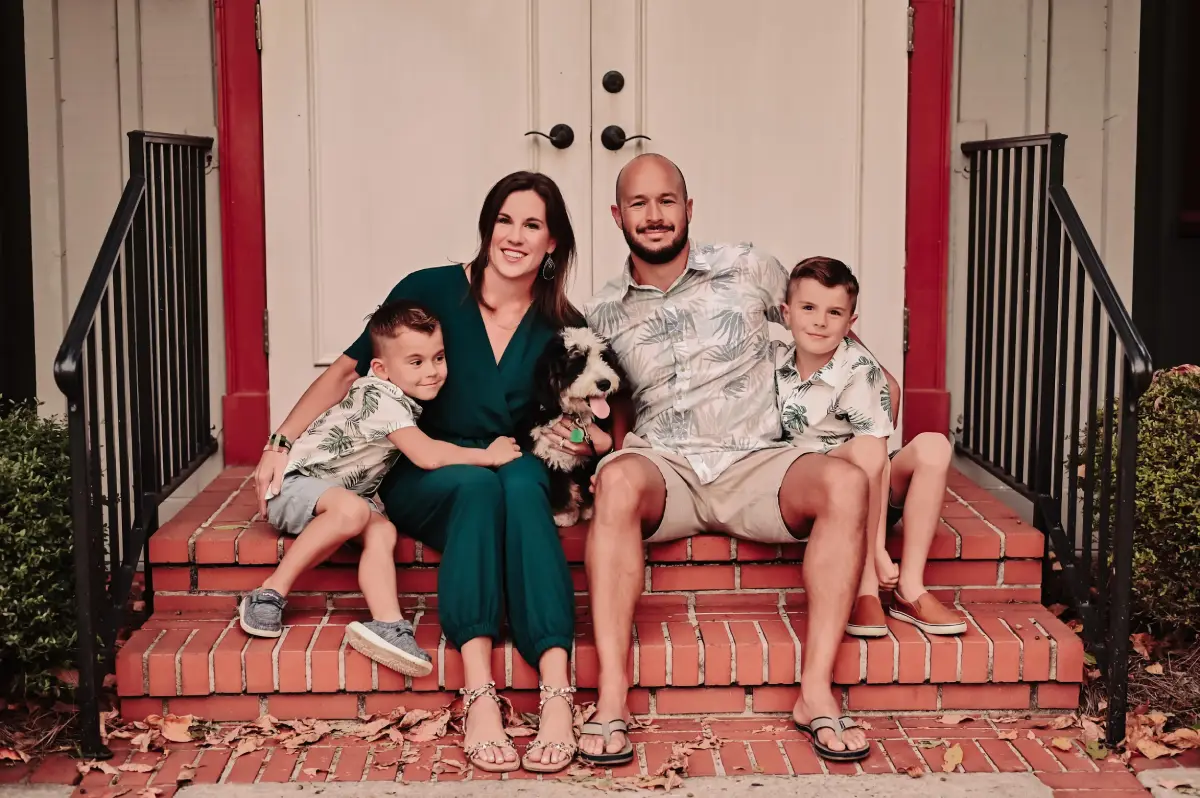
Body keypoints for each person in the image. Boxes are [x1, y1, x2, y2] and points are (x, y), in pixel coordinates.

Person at [252, 171, 607, 774]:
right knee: (475, 485)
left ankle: (555, 686)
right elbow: (346, 371)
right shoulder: (430, 291)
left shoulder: (561, 325)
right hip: (426, 468)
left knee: (521, 485)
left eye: (532, 225)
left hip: (509, 462)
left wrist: (582, 441)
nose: (514, 237)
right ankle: (477, 688)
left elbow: (589, 416)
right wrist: (278, 441)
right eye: (504, 221)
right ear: (487, 227)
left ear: (553, 244)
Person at [579, 153, 890, 764]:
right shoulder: (603, 310)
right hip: (666, 467)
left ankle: (816, 693)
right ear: (617, 215)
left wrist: (873, 379)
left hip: (759, 462)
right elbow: (601, 404)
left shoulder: (749, 266)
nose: (655, 215)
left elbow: (821, 319)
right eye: (639, 204)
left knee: (845, 485)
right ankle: (611, 697)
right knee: (613, 482)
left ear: (689, 208)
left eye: (667, 200)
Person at [239, 300, 523, 678]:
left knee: (383, 529)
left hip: (339, 500)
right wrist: (488, 454)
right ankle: (269, 592)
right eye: (416, 362)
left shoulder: (399, 398)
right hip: (295, 487)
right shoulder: (380, 399)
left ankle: (387, 624)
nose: (434, 372)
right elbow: (426, 456)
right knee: (355, 512)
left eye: (438, 358)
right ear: (381, 369)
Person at [774, 256, 965, 640]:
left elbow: (876, 460)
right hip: (811, 482)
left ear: (850, 323)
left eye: (834, 312)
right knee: (860, 457)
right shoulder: (773, 364)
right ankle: (864, 590)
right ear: (786, 313)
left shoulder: (861, 369)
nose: (819, 321)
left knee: (933, 446)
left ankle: (909, 588)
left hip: (870, 484)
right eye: (808, 308)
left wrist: (878, 548)